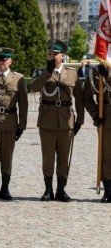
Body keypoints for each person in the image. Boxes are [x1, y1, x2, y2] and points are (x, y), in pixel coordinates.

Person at [29, 40, 84, 202]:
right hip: (47, 120)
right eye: (50, 53)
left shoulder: (72, 74)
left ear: (62, 56)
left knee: (63, 156)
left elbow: (79, 99)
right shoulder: (43, 72)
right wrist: (47, 72)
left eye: (55, 54)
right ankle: (48, 190)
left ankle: (61, 190)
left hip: (66, 120)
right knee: (47, 157)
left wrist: (79, 120)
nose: (52, 56)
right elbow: (33, 87)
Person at [0, 48, 28, 201]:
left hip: (10, 121)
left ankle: (5, 187)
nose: (1, 63)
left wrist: (21, 125)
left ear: (10, 61)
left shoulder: (18, 79)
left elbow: (23, 104)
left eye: (4, 60)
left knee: (7, 156)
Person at [83, 62, 111, 201]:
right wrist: (95, 115)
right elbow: (87, 98)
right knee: (106, 154)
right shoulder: (93, 72)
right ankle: (108, 189)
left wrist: (108, 77)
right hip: (105, 117)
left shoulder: (105, 73)